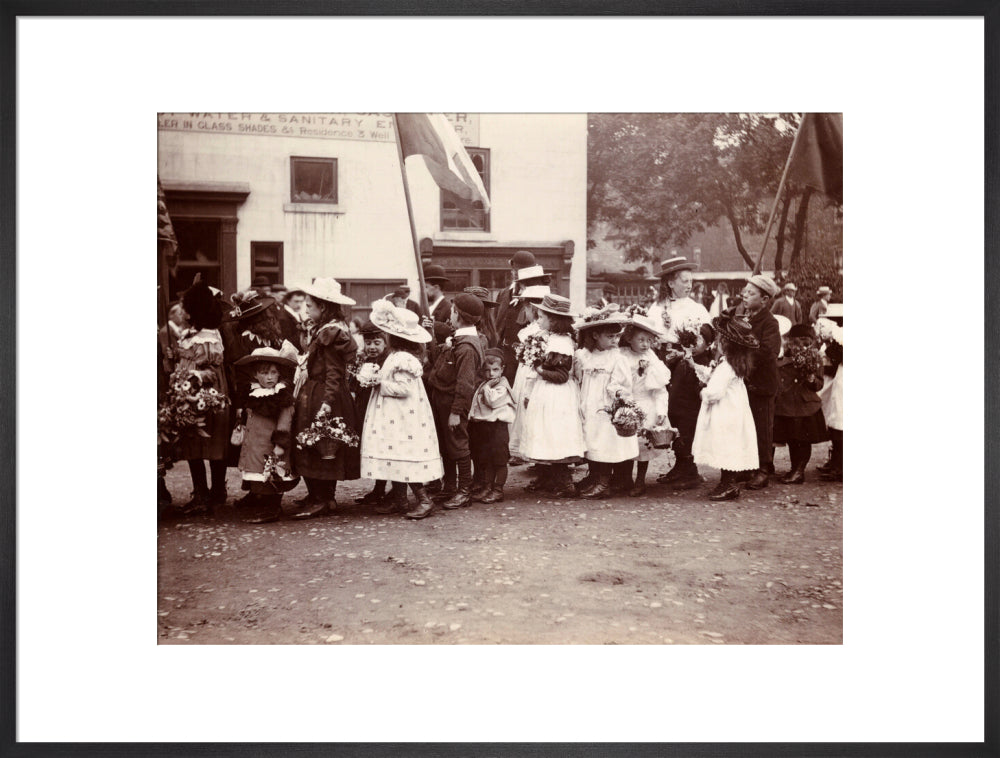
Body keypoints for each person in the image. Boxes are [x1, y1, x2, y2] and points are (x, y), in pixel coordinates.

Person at [359, 300, 442, 520]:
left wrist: (378, 383)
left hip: (403, 415)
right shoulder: (395, 356)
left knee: (403, 453)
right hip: (393, 413)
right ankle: (400, 500)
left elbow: (404, 389)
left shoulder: (403, 359)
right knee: (393, 453)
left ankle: (424, 500)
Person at [290, 278, 361, 519]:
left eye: (310, 305)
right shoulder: (326, 328)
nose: (306, 309)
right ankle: (318, 496)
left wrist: (327, 403)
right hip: (316, 390)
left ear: (323, 307)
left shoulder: (331, 333)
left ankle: (323, 498)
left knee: (321, 441)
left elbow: (334, 372)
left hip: (323, 394)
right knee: (315, 441)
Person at [648, 256, 712, 491]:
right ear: (670, 282)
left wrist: (691, 350)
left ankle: (690, 467)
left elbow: (707, 339)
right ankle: (680, 463)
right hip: (664, 364)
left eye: (690, 280)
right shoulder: (656, 308)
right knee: (669, 412)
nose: (689, 285)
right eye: (684, 280)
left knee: (686, 413)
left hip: (688, 367)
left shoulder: (697, 308)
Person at [170, 279, 231, 513]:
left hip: (205, 396)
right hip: (189, 394)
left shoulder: (208, 336)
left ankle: (214, 493)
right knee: (193, 444)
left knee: (211, 445)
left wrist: (193, 375)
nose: (183, 310)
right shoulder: (193, 334)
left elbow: (213, 371)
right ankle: (203, 492)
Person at [518, 294, 586, 497]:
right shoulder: (551, 339)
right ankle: (548, 477)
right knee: (545, 434)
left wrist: (538, 368)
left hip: (557, 395)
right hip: (546, 392)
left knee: (555, 435)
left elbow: (561, 376)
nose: (538, 320)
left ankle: (564, 482)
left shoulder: (561, 344)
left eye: (541, 317)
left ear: (554, 320)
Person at [425, 293, 486, 509]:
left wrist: (456, 412)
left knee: (458, 445)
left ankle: (464, 491)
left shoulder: (467, 347)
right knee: (446, 445)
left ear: (457, 314)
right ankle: (449, 487)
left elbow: (465, 384)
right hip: (442, 400)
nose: (449, 315)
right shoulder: (459, 340)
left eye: (451, 311)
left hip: (452, 403)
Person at [692, 314, 760, 501]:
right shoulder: (733, 364)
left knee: (725, 446)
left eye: (720, 341)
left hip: (725, 413)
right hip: (734, 411)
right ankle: (727, 482)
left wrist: (703, 393)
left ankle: (729, 484)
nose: (716, 344)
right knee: (729, 445)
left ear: (727, 344)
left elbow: (714, 392)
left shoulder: (726, 367)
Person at [573, 306, 638, 499]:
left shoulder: (617, 358)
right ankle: (595, 476)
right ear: (595, 335)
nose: (614, 341)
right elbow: (579, 377)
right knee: (591, 437)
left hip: (607, 405)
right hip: (589, 402)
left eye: (616, 337)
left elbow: (623, 383)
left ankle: (606, 481)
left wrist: (617, 393)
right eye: (609, 337)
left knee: (605, 440)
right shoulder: (584, 355)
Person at [232, 346, 300, 523]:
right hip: (255, 444)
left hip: (272, 445)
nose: (269, 377)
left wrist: (280, 444)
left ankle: (272, 508)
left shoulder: (281, 396)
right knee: (258, 474)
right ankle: (259, 501)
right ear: (255, 375)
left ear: (279, 374)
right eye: (264, 373)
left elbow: (285, 421)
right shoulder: (254, 393)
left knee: (272, 474)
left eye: (273, 373)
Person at [618, 311, 671, 497]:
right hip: (627, 403)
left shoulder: (652, 358)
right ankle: (624, 478)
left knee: (643, 447)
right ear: (629, 338)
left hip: (646, 405)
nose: (645, 344)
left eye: (649, 340)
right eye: (641, 340)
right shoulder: (622, 355)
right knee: (625, 442)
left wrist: (661, 410)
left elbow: (660, 389)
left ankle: (640, 481)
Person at [738, 274, 783, 490]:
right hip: (745, 383)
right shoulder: (744, 318)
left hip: (763, 384)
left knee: (762, 427)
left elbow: (768, 352)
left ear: (764, 300)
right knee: (748, 426)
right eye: (744, 292)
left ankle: (764, 469)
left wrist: (743, 346)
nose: (744, 296)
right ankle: (750, 466)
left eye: (750, 293)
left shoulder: (770, 323)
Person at [773, 323, 828, 484]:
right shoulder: (784, 355)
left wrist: (811, 378)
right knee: (792, 439)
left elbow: (819, 384)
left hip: (805, 406)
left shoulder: (814, 356)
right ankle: (794, 469)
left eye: (807, 342)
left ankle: (799, 471)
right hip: (787, 404)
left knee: (802, 440)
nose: (803, 345)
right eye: (799, 341)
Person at [350, 320, 393, 507]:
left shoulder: (388, 362)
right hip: (364, 407)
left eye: (377, 343)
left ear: (385, 343)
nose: (372, 347)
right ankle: (378, 488)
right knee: (372, 447)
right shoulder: (364, 360)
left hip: (382, 409)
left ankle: (390, 489)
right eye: (368, 343)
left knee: (384, 447)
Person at [507, 284, 550, 465]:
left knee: (531, 412)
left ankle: (539, 461)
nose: (524, 310)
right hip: (524, 372)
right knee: (523, 412)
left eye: (525, 307)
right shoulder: (531, 327)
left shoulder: (538, 331)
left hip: (533, 373)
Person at [495, 251, 553, 384]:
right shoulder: (504, 294)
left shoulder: (538, 294)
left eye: (522, 270)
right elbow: (497, 323)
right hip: (503, 354)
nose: (517, 273)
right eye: (516, 269)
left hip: (525, 357)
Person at [468, 348, 516, 504]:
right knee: (487, 460)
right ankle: (487, 487)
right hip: (485, 426)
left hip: (498, 427)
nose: (491, 374)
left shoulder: (502, 385)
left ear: (502, 369)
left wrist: (488, 387)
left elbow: (493, 401)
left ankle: (498, 489)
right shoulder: (486, 383)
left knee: (499, 460)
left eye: (495, 370)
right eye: (487, 370)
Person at [816, 317, 844, 482]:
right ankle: (836, 461)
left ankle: (840, 466)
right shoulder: (839, 337)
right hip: (839, 379)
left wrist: (830, 347)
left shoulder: (841, 336)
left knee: (840, 421)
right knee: (836, 420)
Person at [419, 264, 454, 344]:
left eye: (426, 287)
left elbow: (451, 334)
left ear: (436, 288)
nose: (423, 291)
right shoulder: (430, 307)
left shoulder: (448, 308)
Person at [276, 285, 308, 351]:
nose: (299, 305)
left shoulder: (296, 313)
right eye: (296, 301)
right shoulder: (283, 317)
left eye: (301, 301)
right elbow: (286, 341)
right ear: (288, 300)